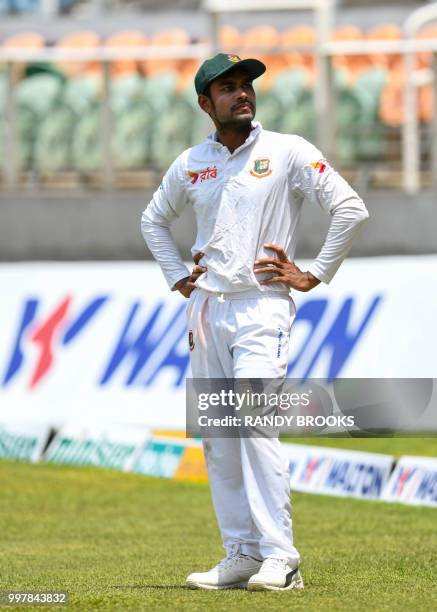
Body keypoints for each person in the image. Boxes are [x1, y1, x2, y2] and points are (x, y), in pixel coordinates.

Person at [141, 53, 369, 592]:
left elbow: (350, 208)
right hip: (205, 308)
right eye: (228, 87)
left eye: (246, 85)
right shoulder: (192, 162)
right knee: (219, 435)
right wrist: (176, 272)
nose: (242, 93)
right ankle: (241, 553)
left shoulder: (287, 151)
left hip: (262, 306)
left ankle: (281, 559)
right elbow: (153, 219)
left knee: (256, 424)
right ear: (206, 103)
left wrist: (314, 273)